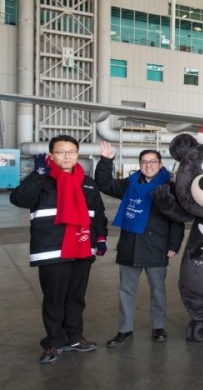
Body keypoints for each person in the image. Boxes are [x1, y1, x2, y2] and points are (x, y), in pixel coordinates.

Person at [10, 135, 108, 364]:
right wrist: (38, 174)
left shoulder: (88, 183)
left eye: (71, 151)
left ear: (77, 154)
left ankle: (74, 338)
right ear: (51, 154)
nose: (67, 156)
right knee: (55, 299)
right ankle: (54, 342)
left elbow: (98, 214)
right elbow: (19, 199)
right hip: (52, 249)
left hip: (82, 248)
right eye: (61, 152)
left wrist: (100, 238)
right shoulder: (42, 179)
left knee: (76, 297)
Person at [95, 141, 186, 348]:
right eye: (144, 162)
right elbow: (105, 184)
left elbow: (177, 219)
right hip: (130, 245)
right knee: (126, 290)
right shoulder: (130, 184)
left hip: (157, 246)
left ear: (160, 164)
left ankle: (158, 326)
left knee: (158, 290)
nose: (148, 165)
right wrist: (106, 161)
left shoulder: (170, 188)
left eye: (153, 161)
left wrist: (174, 245)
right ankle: (124, 330)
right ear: (139, 164)